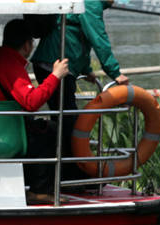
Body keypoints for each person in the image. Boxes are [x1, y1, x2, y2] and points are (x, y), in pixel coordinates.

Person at [0, 19, 69, 192]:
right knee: (51, 131)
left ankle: (27, 185)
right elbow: (32, 102)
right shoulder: (10, 64)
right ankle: (40, 191)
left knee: (40, 130)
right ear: (27, 45)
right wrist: (55, 76)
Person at [30, 0, 129, 179]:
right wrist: (114, 72)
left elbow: (76, 38)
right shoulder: (91, 3)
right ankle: (70, 172)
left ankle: (66, 171)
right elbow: (97, 36)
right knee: (68, 121)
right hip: (55, 64)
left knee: (66, 119)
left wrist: (86, 70)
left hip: (57, 63)